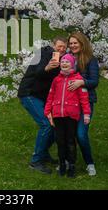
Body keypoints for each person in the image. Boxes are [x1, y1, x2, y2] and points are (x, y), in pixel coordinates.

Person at [17, 36, 68, 174]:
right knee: (46, 124)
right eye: (59, 46)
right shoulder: (43, 53)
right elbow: (37, 72)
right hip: (29, 93)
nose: (62, 49)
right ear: (53, 45)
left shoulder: (62, 59)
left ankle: (44, 153)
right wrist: (47, 67)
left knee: (53, 125)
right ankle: (35, 161)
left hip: (43, 97)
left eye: (64, 47)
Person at [44, 54, 91, 178]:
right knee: (60, 141)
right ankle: (62, 164)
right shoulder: (56, 80)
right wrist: (47, 112)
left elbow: (84, 99)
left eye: (67, 62)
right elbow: (50, 96)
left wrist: (86, 114)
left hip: (71, 116)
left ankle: (71, 165)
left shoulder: (77, 78)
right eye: (63, 61)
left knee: (70, 140)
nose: (64, 64)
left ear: (72, 64)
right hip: (58, 115)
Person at [67, 32, 100, 176]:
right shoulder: (67, 58)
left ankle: (90, 163)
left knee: (81, 134)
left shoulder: (90, 60)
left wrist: (82, 82)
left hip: (85, 102)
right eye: (71, 43)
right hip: (69, 102)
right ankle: (69, 162)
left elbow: (95, 81)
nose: (73, 45)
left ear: (82, 43)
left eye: (76, 43)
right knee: (69, 134)